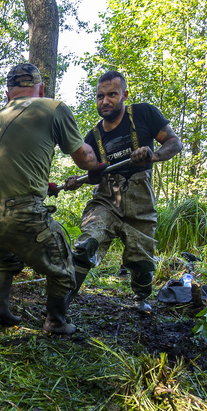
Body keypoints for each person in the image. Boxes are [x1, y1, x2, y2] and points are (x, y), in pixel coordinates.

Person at [0, 63, 101, 334]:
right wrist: (98, 159)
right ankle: (56, 322)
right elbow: (85, 160)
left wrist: (43, 185)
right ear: (41, 89)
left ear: (9, 94)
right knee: (64, 265)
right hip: (18, 216)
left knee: (7, 258)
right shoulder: (53, 107)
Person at [65, 70, 182, 313]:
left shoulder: (144, 114)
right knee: (86, 245)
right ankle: (61, 303)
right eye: (100, 96)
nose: (105, 101)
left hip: (140, 200)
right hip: (106, 200)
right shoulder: (94, 136)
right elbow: (94, 172)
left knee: (141, 262)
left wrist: (153, 155)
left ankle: (141, 298)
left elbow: (175, 143)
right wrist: (78, 180)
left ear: (124, 95)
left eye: (112, 95)